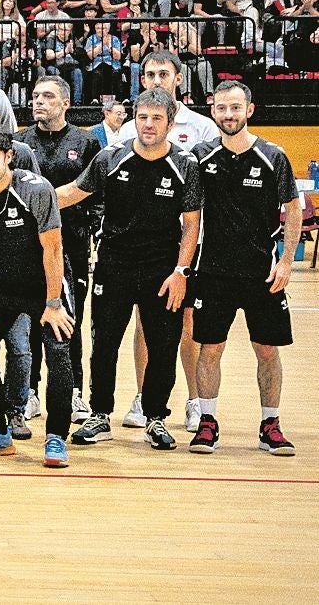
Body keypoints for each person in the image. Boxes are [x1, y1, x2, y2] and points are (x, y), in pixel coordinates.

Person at [58, 88, 201, 451]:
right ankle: (101, 415)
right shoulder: (111, 157)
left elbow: (192, 223)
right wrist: (26, 194)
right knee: (103, 345)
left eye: (156, 118)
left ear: (170, 122)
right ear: (132, 119)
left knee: (163, 345)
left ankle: (155, 418)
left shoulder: (185, 164)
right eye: (142, 117)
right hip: (113, 266)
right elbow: (73, 192)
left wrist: (181, 271)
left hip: (162, 271)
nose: (148, 124)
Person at [188, 82, 299, 456]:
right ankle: (207, 422)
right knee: (209, 348)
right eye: (221, 108)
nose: (228, 115)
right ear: (213, 111)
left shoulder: (273, 155)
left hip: (262, 274)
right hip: (213, 272)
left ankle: (270, 425)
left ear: (249, 110)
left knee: (267, 350)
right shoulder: (200, 157)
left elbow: (293, 208)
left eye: (235, 107)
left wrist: (286, 261)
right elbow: (189, 214)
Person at [0, 126, 77, 468]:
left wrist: (53, 304)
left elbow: (53, 249)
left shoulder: (37, 190)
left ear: (9, 156)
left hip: (45, 286)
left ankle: (55, 437)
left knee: (58, 351)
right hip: (3, 286)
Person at [110, 49, 218, 431]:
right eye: (150, 74)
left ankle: (192, 400)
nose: (157, 80)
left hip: (188, 240)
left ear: (178, 79)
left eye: (163, 74)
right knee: (144, 319)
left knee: (185, 322)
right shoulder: (129, 129)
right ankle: (142, 399)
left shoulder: (203, 127)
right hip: (141, 244)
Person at [16, 76, 102, 424]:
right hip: (25, 245)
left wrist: (94, 235)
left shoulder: (85, 142)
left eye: (48, 96)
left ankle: (75, 392)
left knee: (69, 318)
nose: (39, 102)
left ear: (65, 102)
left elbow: (97, 194)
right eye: (35, 96)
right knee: (29, 320)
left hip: (73, 245)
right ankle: (31, 391)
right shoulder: (19, 143)